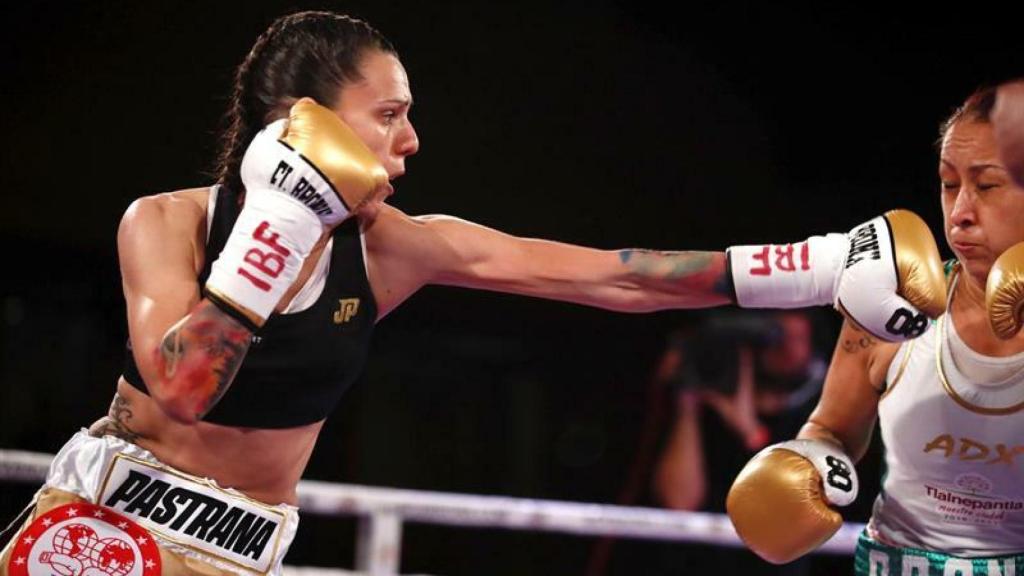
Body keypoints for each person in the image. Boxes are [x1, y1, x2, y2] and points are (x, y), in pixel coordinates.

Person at [0, 11, 948, 576]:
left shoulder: (392, 250)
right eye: (391, 116)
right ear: (314, 125)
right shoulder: (163, 224)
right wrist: (273, 231)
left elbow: (614, 277)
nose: (410, 143)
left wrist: (818, 265)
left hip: (248, 549)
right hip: (111, 526)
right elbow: (182, 387)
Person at [728, 85, 1024, 575]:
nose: (960, 213)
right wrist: (807, 463)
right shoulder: (893, 303)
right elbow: (831, 429)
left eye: (987, 185)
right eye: (950, 185)